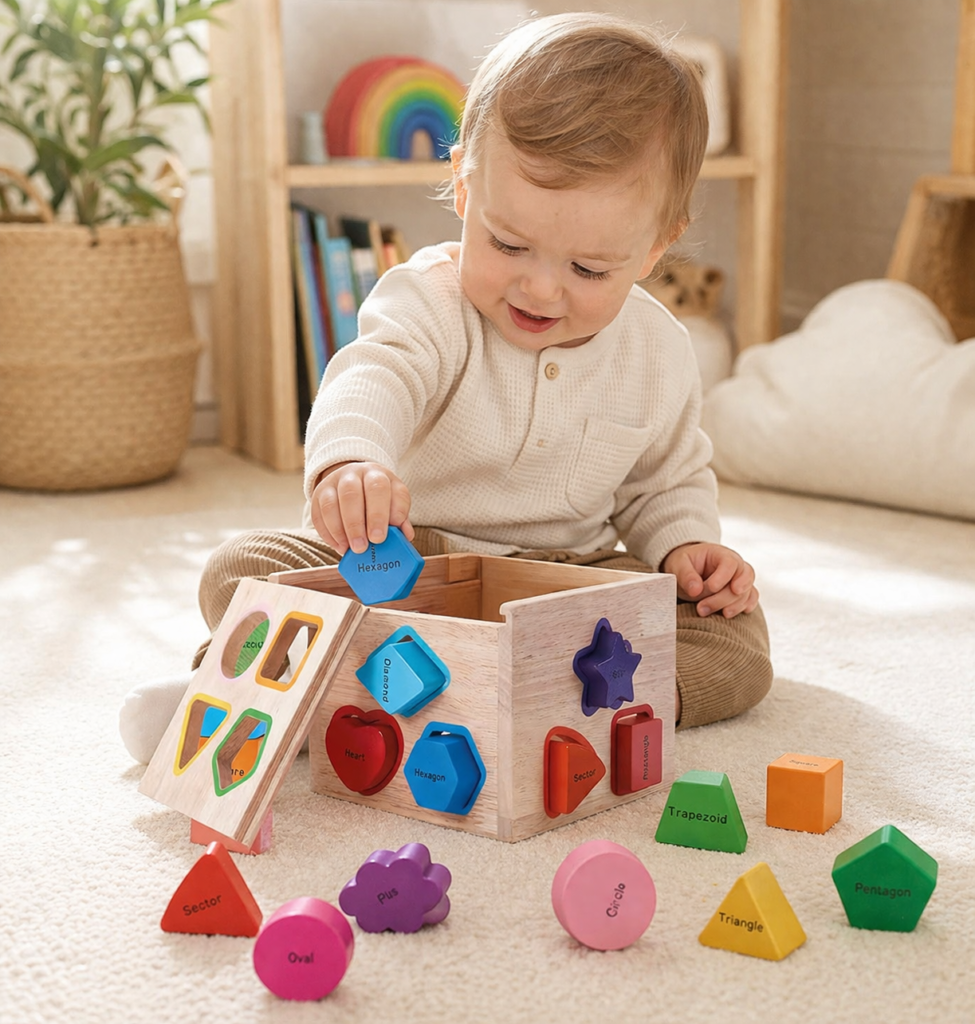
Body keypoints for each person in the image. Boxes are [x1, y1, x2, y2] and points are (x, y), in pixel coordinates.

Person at [119, 11, 772, 764]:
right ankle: (266, 694)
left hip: (568, 583)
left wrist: (687, 548)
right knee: (242, 570)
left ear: (656, 245)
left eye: (588, 270)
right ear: (462, 188)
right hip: (405, 566)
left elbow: (665, 481)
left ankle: (403, 695)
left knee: (737, 641)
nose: (540, 288)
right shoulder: (427, 300)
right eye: (507, 243)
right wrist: (351, 463)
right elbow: (374, 377)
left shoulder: (660, 349)